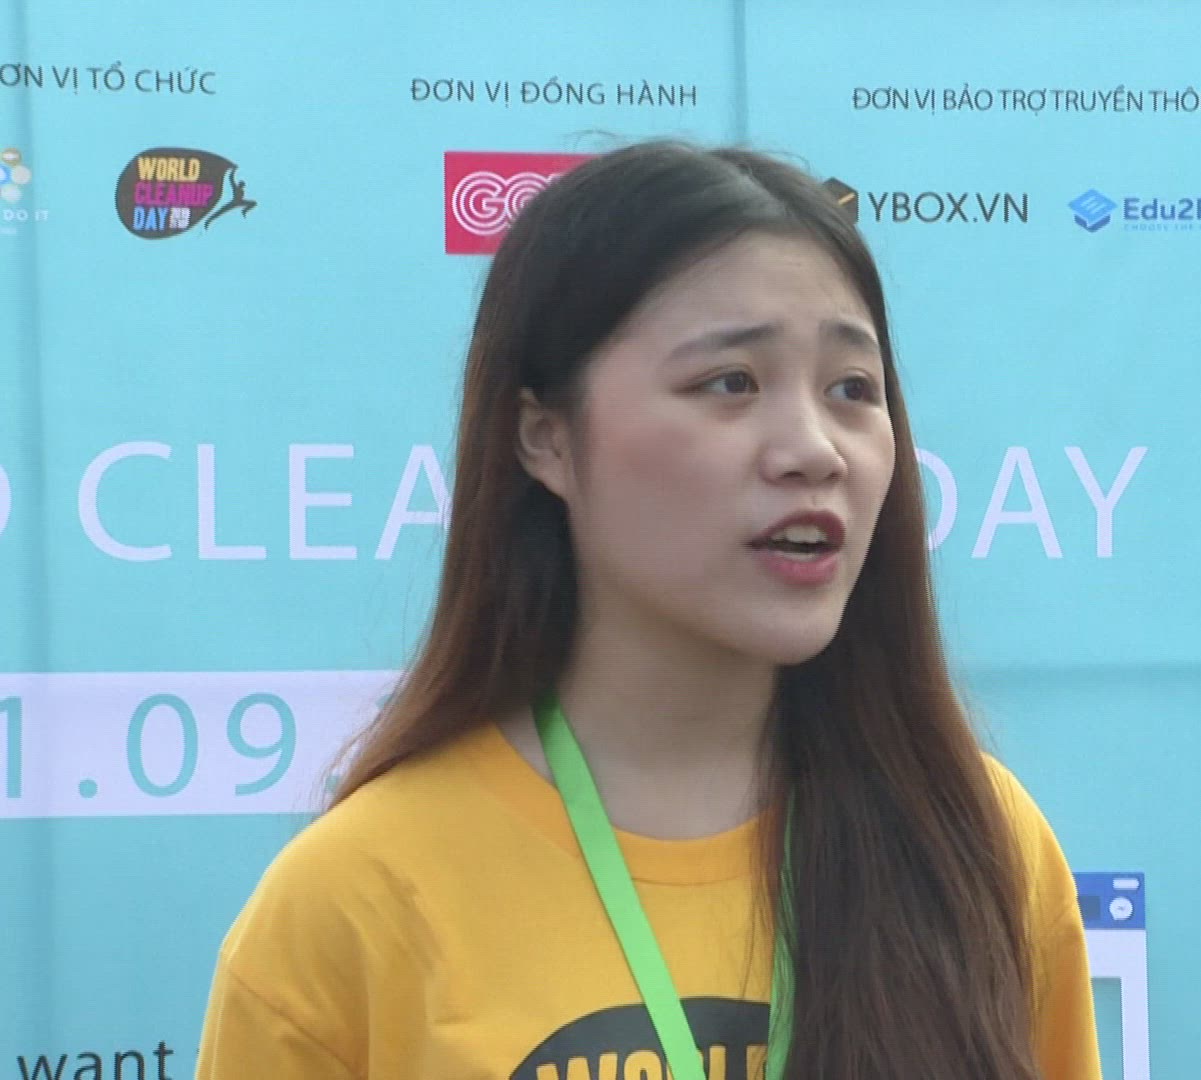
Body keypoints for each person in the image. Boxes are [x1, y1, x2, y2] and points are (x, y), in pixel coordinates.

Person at [195, 141, 1100, 1080]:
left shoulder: (979, 848)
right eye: (731, 382)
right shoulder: (353, 903)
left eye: (852, 390)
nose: (814, 449)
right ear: (545, 437)